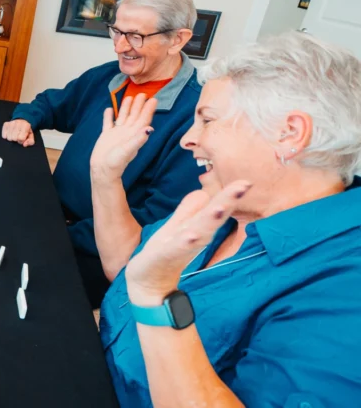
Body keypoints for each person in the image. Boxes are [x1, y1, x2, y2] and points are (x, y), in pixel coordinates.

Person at [97, 32, 361, 406]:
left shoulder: (347, 283)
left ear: (290, 134)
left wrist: (158, 299)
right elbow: (129, 270)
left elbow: (147, 285)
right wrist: (104, 176)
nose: (188, 139)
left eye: (207, 120)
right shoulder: (227, 202)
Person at [2, 0, 204, 306]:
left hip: (91, 252)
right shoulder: (110, 76)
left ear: (177, 39)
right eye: (116, 32)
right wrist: (27, 118)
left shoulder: (195, 121)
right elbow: (54, 104)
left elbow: (154, 224)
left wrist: (53, 235)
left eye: (136, 36)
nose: (120, 47)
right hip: (49, 215)